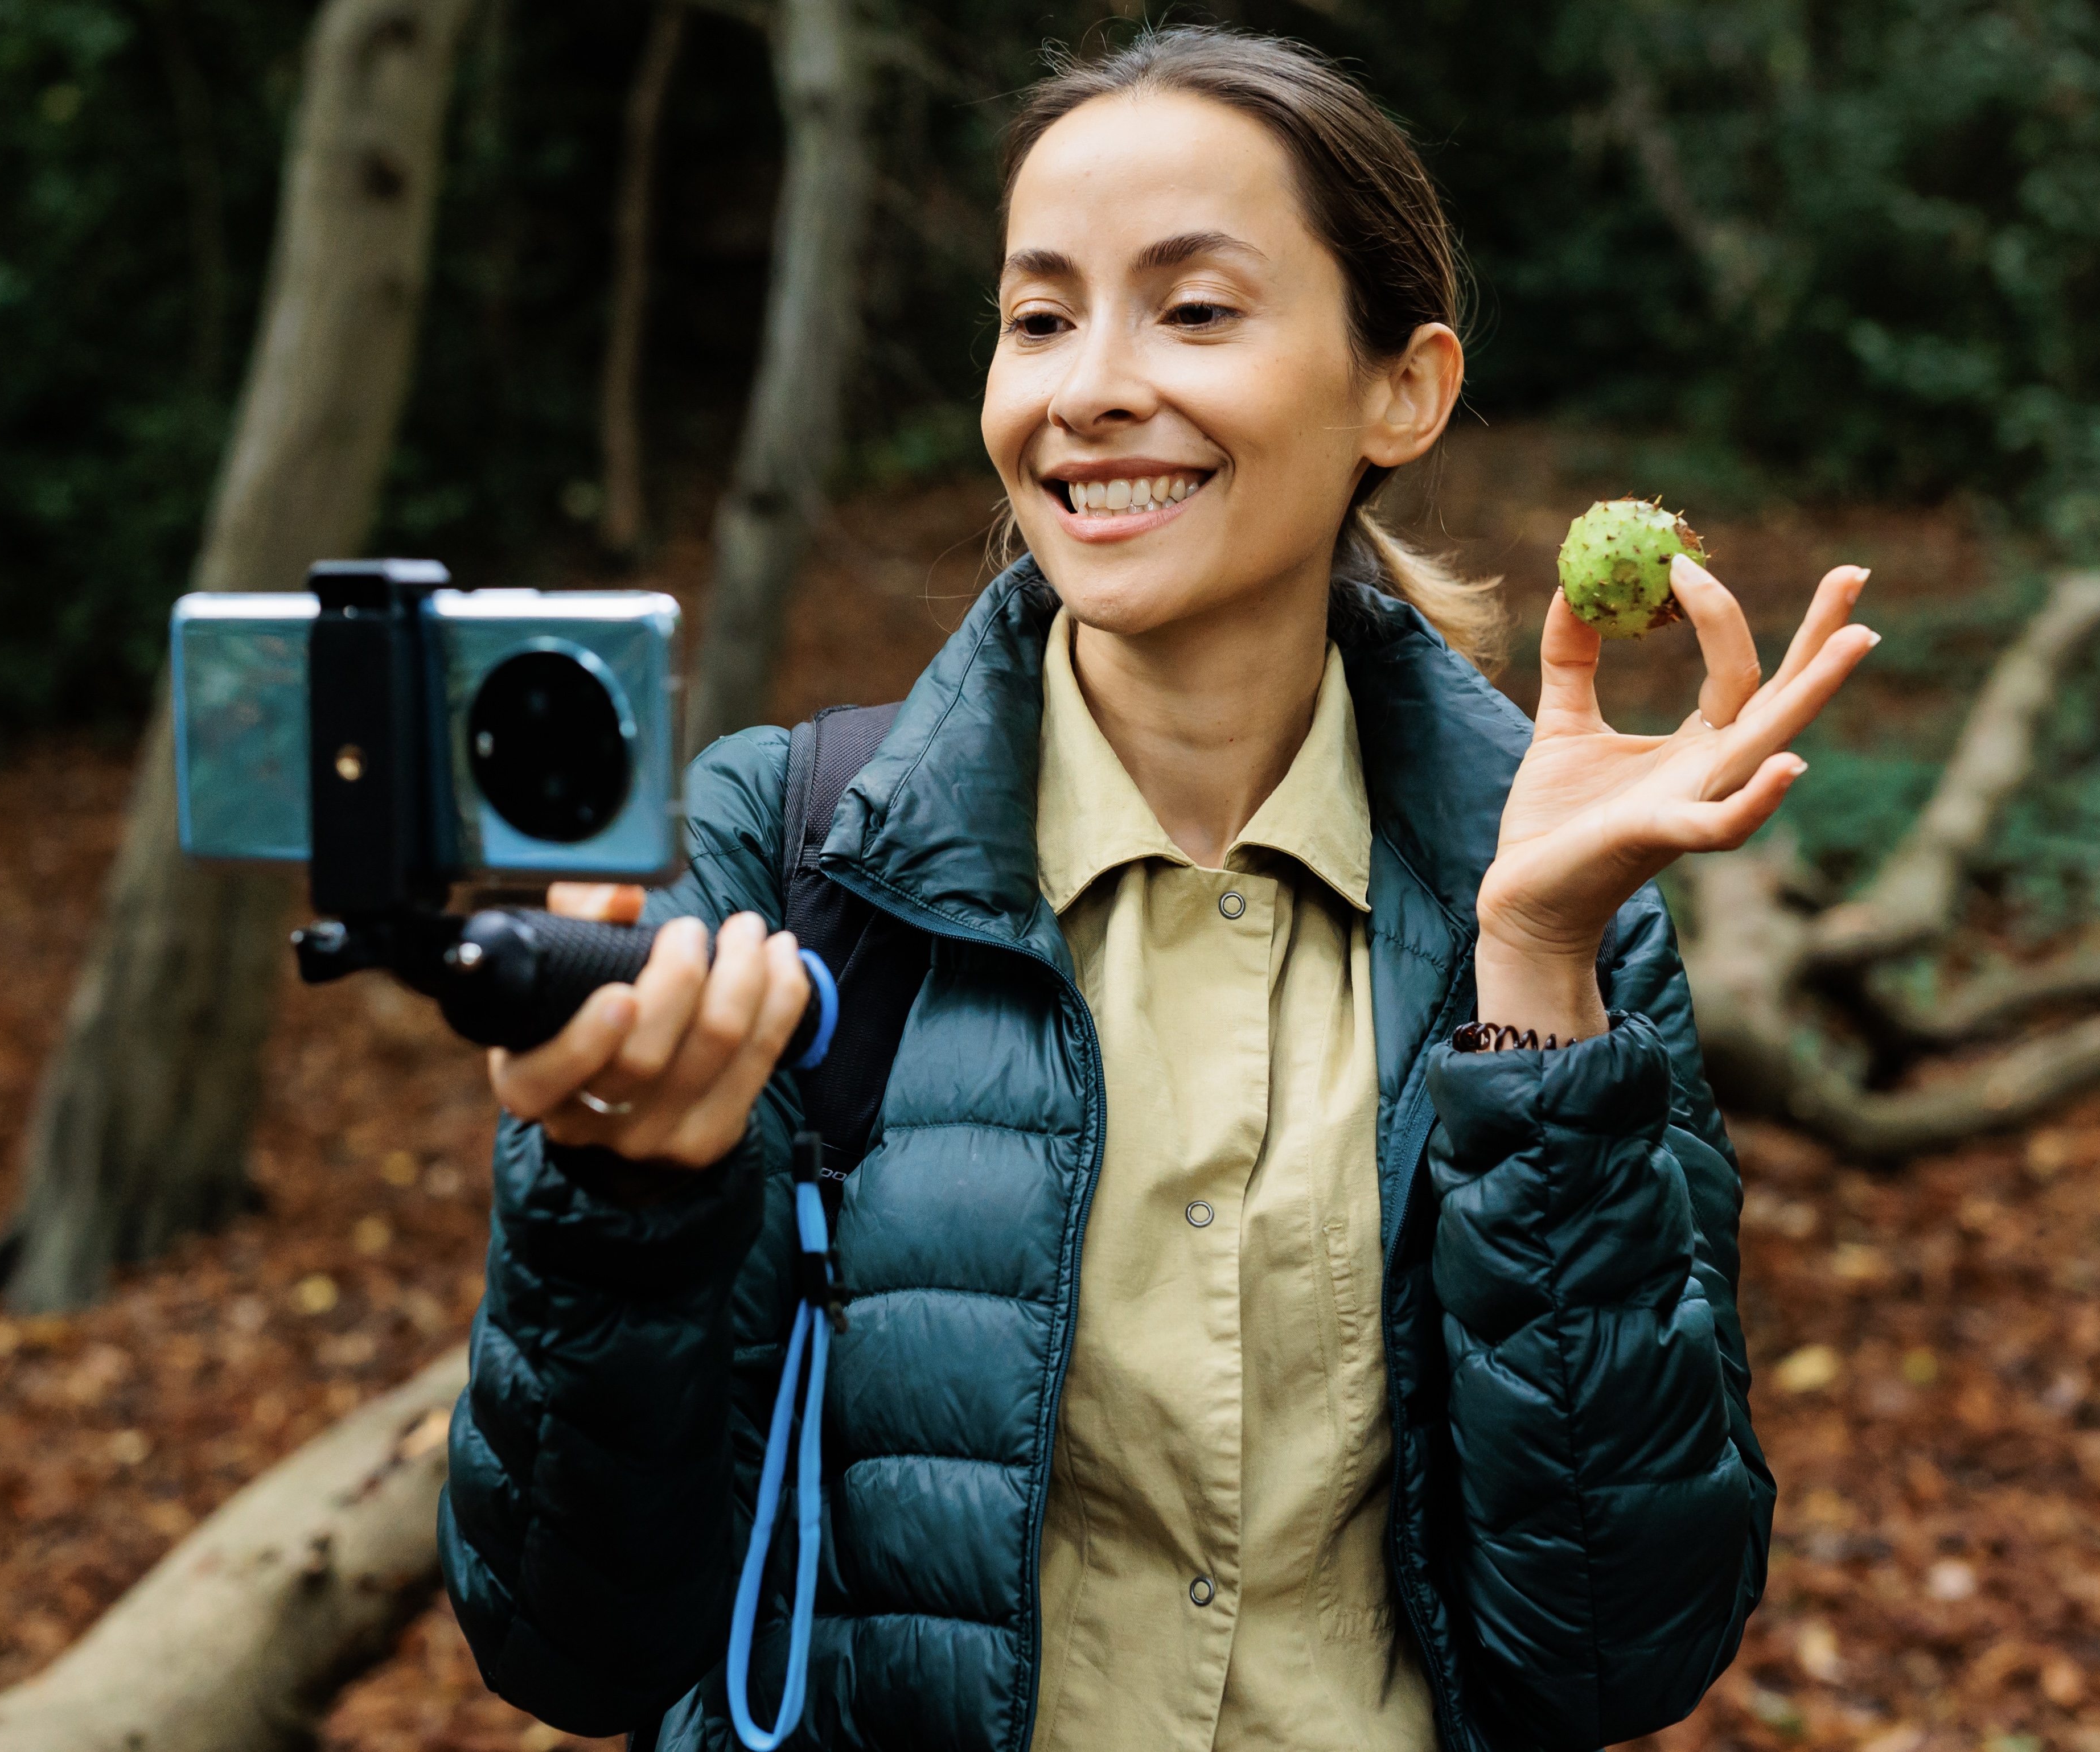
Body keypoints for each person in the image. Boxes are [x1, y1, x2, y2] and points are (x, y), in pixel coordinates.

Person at [440, 24, 1876, 1751]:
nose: (1088, 386)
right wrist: (617, 1198)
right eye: (1040, 316)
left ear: (1399, 390)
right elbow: (571, 1640)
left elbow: (1615, 1651)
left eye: (1194, 309)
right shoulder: (794, 848)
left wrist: (1541, 971)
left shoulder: (1550, 902)